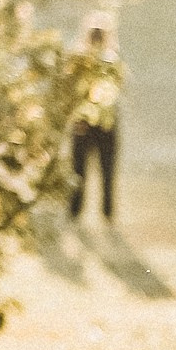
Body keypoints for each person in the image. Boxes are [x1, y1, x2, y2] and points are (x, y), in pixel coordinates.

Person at [67, 15, 122, 225]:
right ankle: (76, 213)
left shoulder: (111, 59)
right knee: (80, 171)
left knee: (103, 171)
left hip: (102, 123)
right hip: (85, 123)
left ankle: (106, 214)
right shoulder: (80, 60)